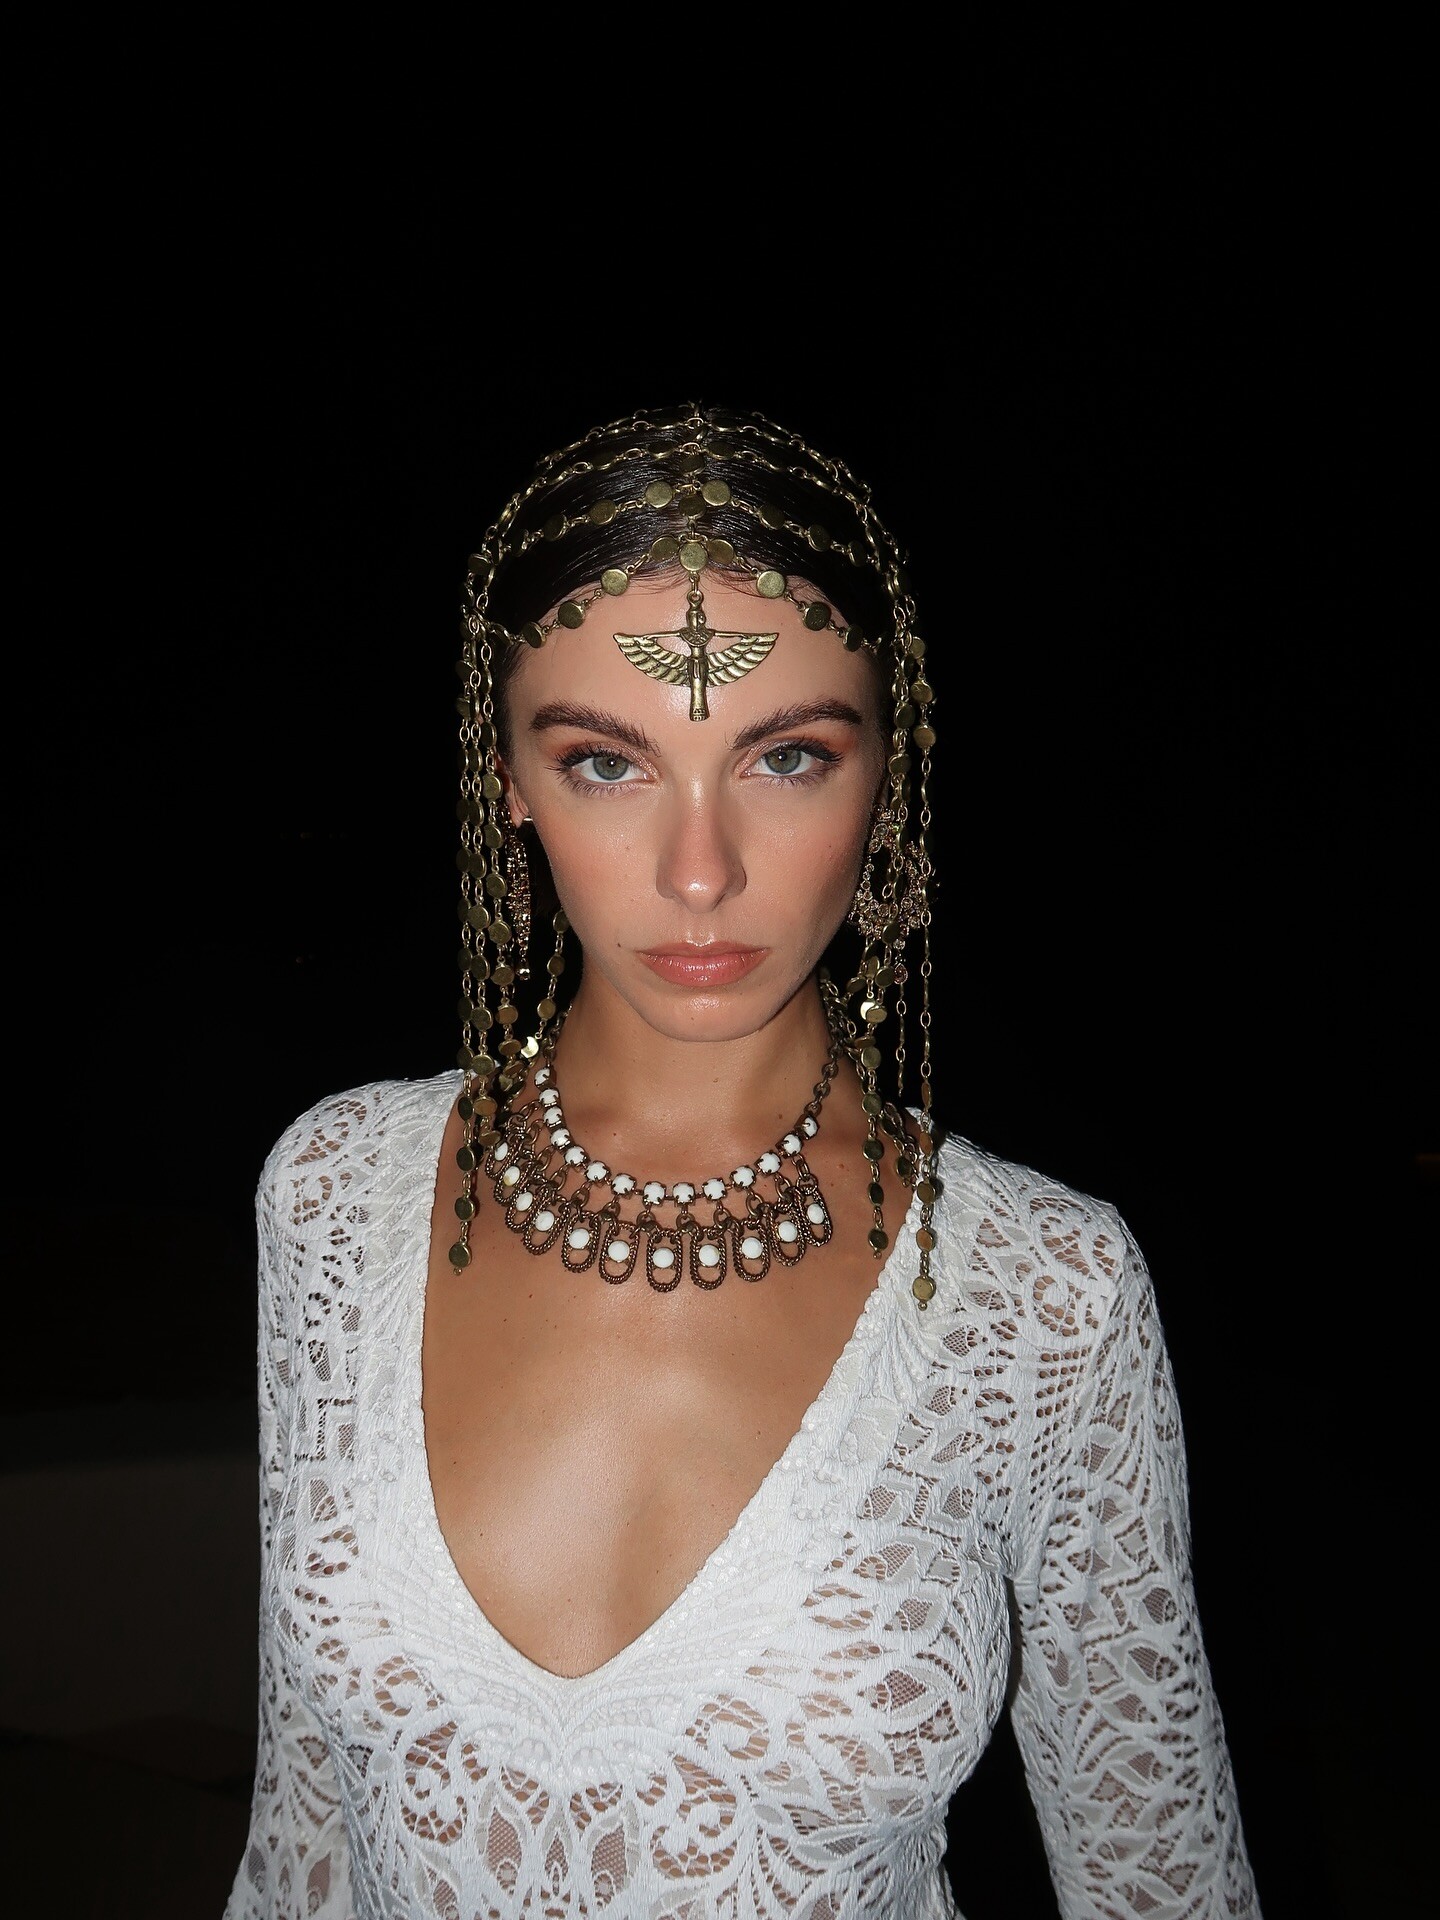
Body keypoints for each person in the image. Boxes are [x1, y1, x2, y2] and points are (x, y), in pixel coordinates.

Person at [225, 403, 1259, 1918]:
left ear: (887, 774)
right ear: (505, 774)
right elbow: (301, 1838)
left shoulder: (1049, 1298)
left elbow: (1159, 1876)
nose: (698, 871)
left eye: (784, 759)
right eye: (607, 762)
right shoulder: (333, 1195)